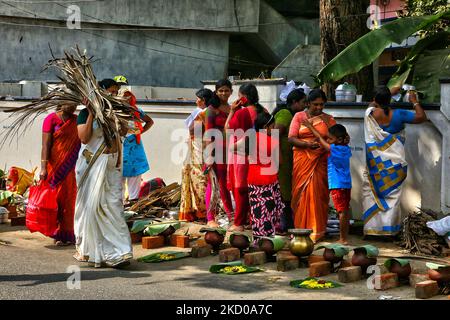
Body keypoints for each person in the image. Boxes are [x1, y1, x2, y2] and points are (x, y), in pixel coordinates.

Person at [74, 78, 132, 268]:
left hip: (111, 167)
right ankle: (91, 251)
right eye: (111, 92)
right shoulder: (84, 114)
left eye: (116, 92)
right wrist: (92, 112)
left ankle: (120, 252)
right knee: (92, 209)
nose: (114, 95)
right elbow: (84, 138)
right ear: (101, 92)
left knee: (114, 208)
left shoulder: (113, 114)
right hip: (92, 165)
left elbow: (123, 132)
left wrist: (120, 113)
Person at [362, 86, 426, 238]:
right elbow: (421, 117)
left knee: (372, 195)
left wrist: (388, 92)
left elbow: (372, 104)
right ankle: (389, 231)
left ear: (375, 99)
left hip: (375, 166)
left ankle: (372, 230)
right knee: (392, 197)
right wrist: (414, 101)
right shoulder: (400, 114)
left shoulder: (370, 113)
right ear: (389, 99)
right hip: (395, 165)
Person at [288, 89, 336, 243]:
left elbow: (335, 138)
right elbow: (291, 138)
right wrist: (307, 145)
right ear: (308, 103)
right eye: (315, 104)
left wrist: (325, 144)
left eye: (322, 104)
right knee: (301, 196)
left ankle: (317, 231)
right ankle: (300, 231)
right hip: (302, 159)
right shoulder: (299, 116)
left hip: (320, 161)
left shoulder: (328, 119)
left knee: (319, 194)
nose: (319, 108)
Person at [235, 112, 284, 241]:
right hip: (269, 179)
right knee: (268, 211)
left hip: (253, 178)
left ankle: (257, 239)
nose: (273, 129)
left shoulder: (250, 138)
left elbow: (232, 148)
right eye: (272, 127)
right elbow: (280, 161)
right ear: (266, 126)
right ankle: (268, 240)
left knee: (257, 211)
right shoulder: (272, 140)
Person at [225, 83, 267, 232]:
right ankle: (253, 219)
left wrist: (232, 111)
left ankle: (239, 223)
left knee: (241, 188)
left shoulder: (241, 113)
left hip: (241, 154)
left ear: (243, 97)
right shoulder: (263, 110)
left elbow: (227, 129)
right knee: (256, 188)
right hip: (261, 153)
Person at [302, 122, 352, 244]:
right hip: (346, 184)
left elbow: (319, 138)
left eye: (330, 138)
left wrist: (310, 126)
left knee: (341, 212)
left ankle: (343, 239)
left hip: (337, 185)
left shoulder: (333, 149)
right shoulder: (346, 148)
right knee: (344, 211)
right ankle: (344, 236)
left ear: (339, 139)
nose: (327, 140)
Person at [40, 104, 81, 245]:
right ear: (62, 102)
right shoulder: (51, 119)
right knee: (54, 201)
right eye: (71, 104)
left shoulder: (76, 120)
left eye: (75, 105)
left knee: (69, 200)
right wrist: (43, 167)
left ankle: (67, 234)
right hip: (54, 168)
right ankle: (56, 233)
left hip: (70, 168)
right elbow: (45, 145)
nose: (73, 107)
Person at [113, 75, 154, 201]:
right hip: (119, 149)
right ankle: (119, 211)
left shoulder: (136, 111)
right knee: (118, 184)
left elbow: (149, 122)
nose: (126, 98)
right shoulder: (113, 112)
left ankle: (132, 209)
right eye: (124, 96)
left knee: (134, 182)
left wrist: (139, 133)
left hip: (134, 151)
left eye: (128, 96)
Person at [273, 88, 307, 233]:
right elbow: (275, 134)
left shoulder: (295, 115)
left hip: (289, 160)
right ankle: (284, 224)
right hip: (282, 161)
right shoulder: (286, 113)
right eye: (303, 102)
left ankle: (288, 224)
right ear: (294, 102)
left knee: (288, 193)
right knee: (284, 193)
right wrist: (278, 156)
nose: (305, 105)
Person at [204, 79, 234, 227]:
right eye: (220, 90)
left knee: (225, 184)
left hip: (229, 151)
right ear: (216, 92)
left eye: (226, 90)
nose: (223, 93)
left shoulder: (232, 108)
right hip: (215, 151)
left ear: (231, 92)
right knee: (214, 184)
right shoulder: (211, 110)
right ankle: (210, 218)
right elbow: (208, 132)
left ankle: (231, 216)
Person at [179, 88, 213, 222]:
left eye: (198, 98)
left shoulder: (205, 113)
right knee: (193, 177)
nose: (196, 101)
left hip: (200, 149)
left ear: (203, 100)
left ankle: (203, 211)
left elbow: (196, 131)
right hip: (196, 148)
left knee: (200, 178)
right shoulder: (201, 113)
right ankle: (196, 210)